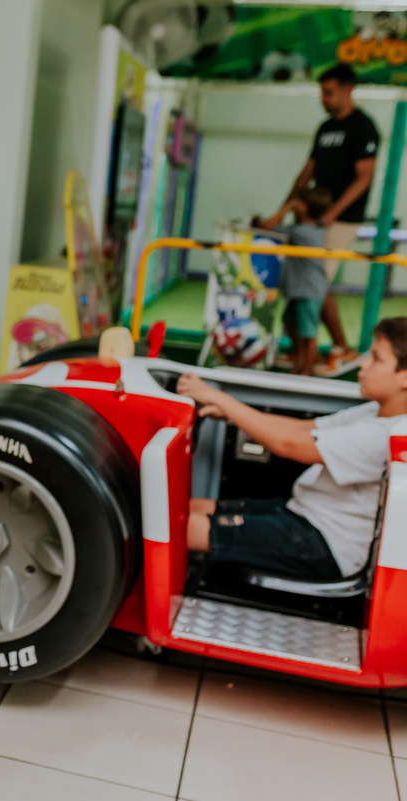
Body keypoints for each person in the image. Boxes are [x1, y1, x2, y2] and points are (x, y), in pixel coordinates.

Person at [177, 317, 407, 581]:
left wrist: (219, 398)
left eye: (376, 358)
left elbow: (288, 444)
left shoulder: (385, 433)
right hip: (304, 514)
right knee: (192, 507)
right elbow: (301, 429)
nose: (363, 363)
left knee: (185, 527)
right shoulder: (375, 412)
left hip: (324, 542)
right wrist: (231, 414)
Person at [285, 63, 380, 376]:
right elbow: (306, 171)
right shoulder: (325, 128)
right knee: (301, 281)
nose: (323, 99)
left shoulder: (363, 127)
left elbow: (364, 178)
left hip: (340, 220)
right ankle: (300, 348)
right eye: (321, 93)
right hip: (313, 220)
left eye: (328, 93)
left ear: (347, 89)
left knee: (315, 283)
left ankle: (342, 348)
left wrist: (330, 216)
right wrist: (283, 210)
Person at [252, 186, 333, 375]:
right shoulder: (316, 226)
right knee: (289, 320)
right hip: (300, 289)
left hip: (308, 290)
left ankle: (306, 373)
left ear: (303, 208)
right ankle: (301, 361)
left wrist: (287, 208)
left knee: (308, 335)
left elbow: (267, 227)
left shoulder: (301, 231)